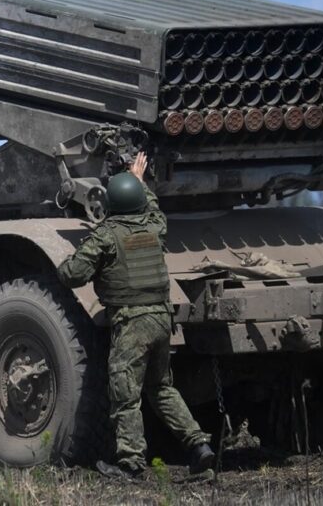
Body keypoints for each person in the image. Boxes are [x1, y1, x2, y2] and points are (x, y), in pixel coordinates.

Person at [58, 152, 214, 479]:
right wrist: (141, 181)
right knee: (161, 388)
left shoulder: (106, 235)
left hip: (131, 323)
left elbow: (74, 274)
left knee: (125, 394)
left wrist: (61, 266)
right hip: (160, 319)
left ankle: (129, 463)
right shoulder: (155, 227)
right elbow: (154, 209)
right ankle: (199, 446)